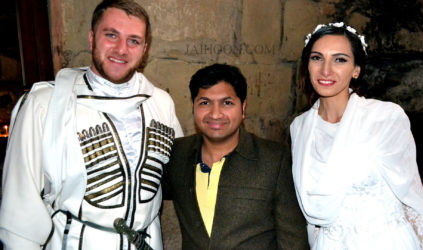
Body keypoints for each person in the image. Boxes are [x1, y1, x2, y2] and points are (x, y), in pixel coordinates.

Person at [0, 0, 183, 249]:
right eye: (111, 35)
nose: (121, 49)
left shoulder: (161, 103)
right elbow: (20, 205)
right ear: (91, 38)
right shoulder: (45, 104)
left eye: (133, 40)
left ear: (144, 49)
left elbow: (179, 177)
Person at [290, 22, 423, 249]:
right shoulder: (299, 127)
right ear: (307, 65)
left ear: (356, 70)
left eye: (340, 59)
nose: (326, 70)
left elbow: (410, 202)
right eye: (317, 58)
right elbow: (313, 219)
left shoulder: (385, 118)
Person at [163, 63, 308, 249]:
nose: (215, 114)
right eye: (205, 103)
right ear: (193, 106)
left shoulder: (273, 160)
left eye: (227, 103)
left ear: (243, 108)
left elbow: (293, 242)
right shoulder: (177, 155)